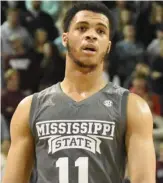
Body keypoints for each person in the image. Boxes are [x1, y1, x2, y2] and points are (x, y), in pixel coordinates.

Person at [2, 2, 156, 183]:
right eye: (82, 28)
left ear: (108, 46)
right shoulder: (29, 107)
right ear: (65, 38)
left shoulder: (133, 107)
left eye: (101, 31)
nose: (91, 35)